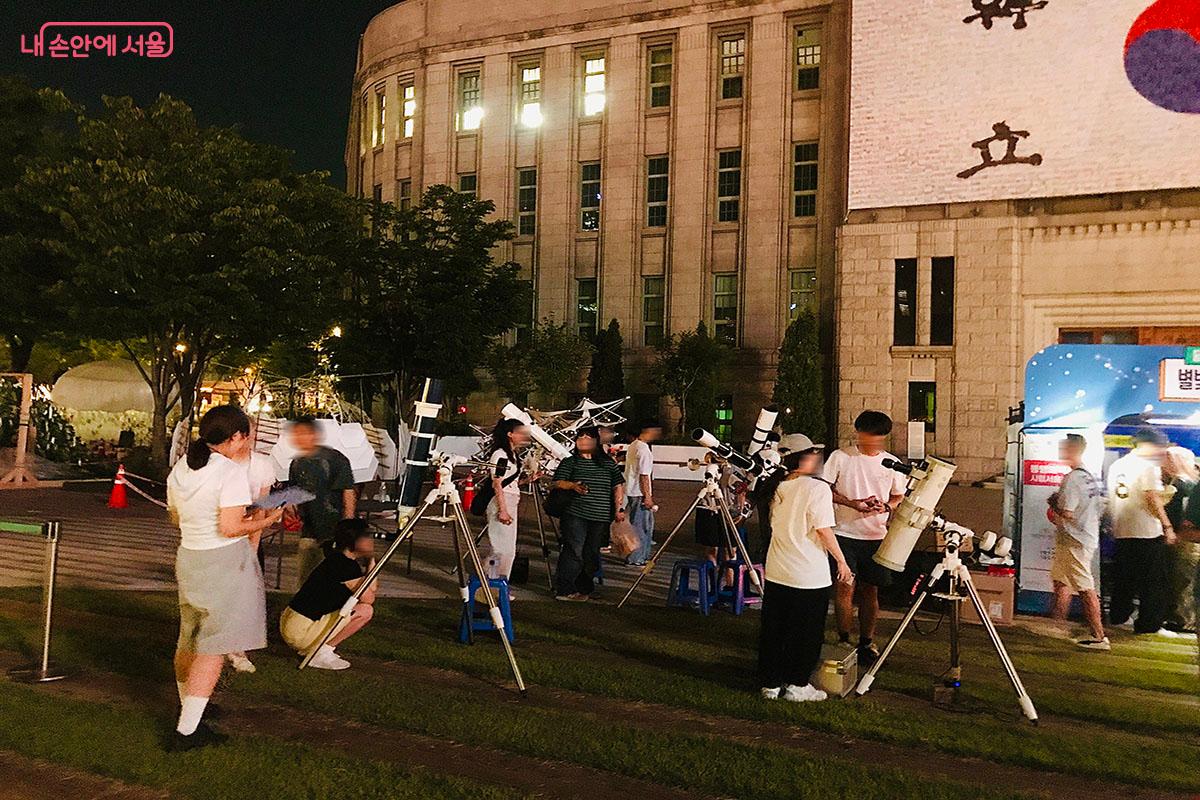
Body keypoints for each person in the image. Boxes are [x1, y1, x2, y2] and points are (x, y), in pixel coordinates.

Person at [167, 405, 282, 750]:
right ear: (234, 437)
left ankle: (189, 706)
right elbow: (230, 528)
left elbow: (175, 517)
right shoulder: (228, 472)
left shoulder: (182, 467)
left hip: (190, 556)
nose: (247, 444)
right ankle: (187, 732)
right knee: (215, 646)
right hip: (222, 562)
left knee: (189, 637)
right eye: (246, 437)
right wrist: (266, 520)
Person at [759, 433, 853, 703]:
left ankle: (770, 682)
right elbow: (823, 530)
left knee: (775, 630)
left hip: (777, 569)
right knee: (806, 633)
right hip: (808, 574)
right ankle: (797, 683)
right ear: (803, 458)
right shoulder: (816, 489)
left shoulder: (775, 486)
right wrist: (842, 561)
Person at [821, 410, 907, 667]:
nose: (873, 442)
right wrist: (852, 503)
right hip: (844, 533)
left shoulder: (891, 463)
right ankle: (844, 639)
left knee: (871, 590)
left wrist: (886, 506)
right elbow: (825, 488)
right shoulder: (841, 457)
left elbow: (898, 495)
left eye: (879, 437)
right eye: (869, 436)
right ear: (858, 433)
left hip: (875, 535)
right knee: (845, 586)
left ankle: (867, 641)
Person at [280, 518, 377, 670]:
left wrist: (371, 560)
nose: (371, 541)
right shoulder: (345, 567)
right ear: (354, 540)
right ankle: (322, 652)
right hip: (300, 630)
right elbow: (369, 598)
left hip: (293, 623)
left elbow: (371, 588)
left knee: (359, 608)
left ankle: (317, 648)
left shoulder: (337, 560)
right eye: (367, 536)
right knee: (365, 611)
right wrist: (370, 560)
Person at [1107, 427, 1177, 636]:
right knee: (1153, 582)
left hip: (1122, 529)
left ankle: (1119, 617)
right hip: (1147, 531)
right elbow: (1152, 497)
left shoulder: (1117, 465)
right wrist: (1167, 526)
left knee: (1124, 579)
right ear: (1148, 444)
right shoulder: (1148, 466)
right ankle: (1149, 624)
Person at [1046, 434, 1109, 650]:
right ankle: (1057, 624)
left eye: (1064, 447)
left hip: (1075, 539)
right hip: (1080, 536)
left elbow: (1067, 512)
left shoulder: (1072, 478)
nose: (1061, 450)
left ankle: (1098, 635)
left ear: (1073, 449)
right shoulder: (1089, 476)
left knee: (1084, 586)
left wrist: (1054, 503)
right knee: (1060, 580)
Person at [227, 417, 278, 675]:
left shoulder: (262, 466)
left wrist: (253, 547)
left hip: (247, 535)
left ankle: (238, 649)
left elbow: (261, 508)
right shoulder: (219, 464)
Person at [552, 426, 625, 601]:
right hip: (575, 513)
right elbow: (557, 482)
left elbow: (618, 486)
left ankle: (584, 588)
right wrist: (572, 485)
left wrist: (618, 509)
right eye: (580, 437)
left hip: (600, 515)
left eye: (588, 438)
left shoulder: (607, 463)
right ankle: (565, 588)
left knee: (591, 552)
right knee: (574, 550)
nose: (584, 441)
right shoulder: (570, 462)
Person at [287, 416, 357, 589]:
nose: (299, 438)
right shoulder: (297, 463)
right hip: (309, 529)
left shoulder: (335, 459)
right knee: (306, 577)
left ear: (314, 434)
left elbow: (347, 492)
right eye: (296, 434)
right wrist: (290, 508)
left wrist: (348, 526)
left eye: (303, 433)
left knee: (335, 578)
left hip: (334, 528)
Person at [485, 417, 531, 580]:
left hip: (510, 500)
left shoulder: (512, 455)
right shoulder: (501, 455)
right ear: (510, 434)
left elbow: (507, 482)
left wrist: (527, 480)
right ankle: (492, 582)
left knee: (506, 548)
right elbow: (497, 483)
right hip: (502, 502)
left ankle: (497, 582)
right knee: (501, 548)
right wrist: (503, 510)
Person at [1162, 446, 1199, 633]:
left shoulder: (1181, 486)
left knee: (1182, 581)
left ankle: (1184, 619)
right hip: (1186, 539)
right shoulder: (1190, 484)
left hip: (1185, 540)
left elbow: (1181, 515)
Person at [623, 420, 662, 566]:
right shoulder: (643, 449)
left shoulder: (634, 445)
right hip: (639, 493)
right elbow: (644, 475)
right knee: (642, 527)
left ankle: (639, 557)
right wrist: (648, 497)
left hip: (632, 490)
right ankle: (637, 558)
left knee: (638, 525)